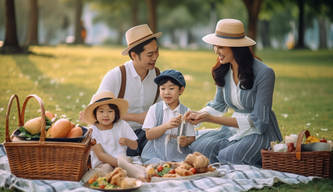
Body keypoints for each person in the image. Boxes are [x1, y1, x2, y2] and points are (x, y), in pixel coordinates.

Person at [184, 18, 282, 168]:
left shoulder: (265, 73)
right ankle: (226, 149)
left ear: (235, 47)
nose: (216, 50)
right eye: (215, 45)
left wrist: (211, 119)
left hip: (259, 132)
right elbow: (218, 104)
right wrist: (198, 114)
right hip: (233, 128)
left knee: (230, 155)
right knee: (200, 147)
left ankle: (231, 153)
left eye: (220, 46)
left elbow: (259, 121)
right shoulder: (223, 69)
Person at [80, 24, 162, 156]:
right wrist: (136, 118)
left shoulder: (159, 77)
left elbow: (165, 110)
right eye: (150, 54)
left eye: (157, 51)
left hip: (147, 135)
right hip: (117, 136)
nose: (155, 57)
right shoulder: (116, 76)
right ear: (134, 55)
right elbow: (97, 111)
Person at [82, 91, 146, 181]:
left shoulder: (122, 124)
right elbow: (100, 155)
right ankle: (131, 174)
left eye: (110, 111)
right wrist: (120, 165)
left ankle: (128, 175)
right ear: (95, 114)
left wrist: (127, 141)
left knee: (122, 157)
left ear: (115, 112)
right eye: (101, 111)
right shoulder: (94, 130)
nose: (106, 115)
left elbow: (135, 145)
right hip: (103, 163)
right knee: (107, 169)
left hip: (122, 160)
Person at [141, 70, 196, 165]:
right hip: (155, 153)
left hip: (178, 154)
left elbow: (191, 137)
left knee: (182, 165)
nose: (166, 92)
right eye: (162, 89)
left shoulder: (186, 112)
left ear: (181, 90)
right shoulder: (154, 109)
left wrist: (186, 141)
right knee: (155, 166)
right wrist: (166, 126)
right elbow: (149, 135)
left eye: (171, 88)